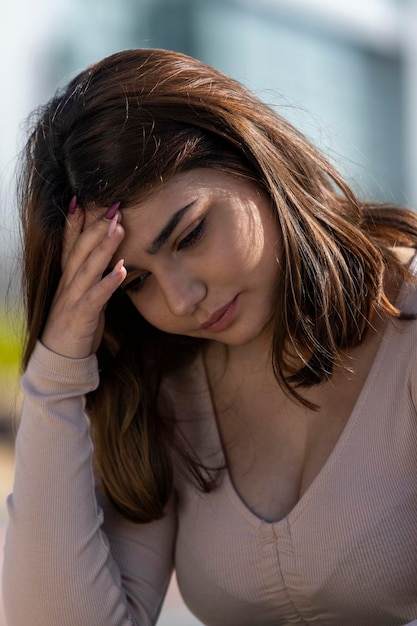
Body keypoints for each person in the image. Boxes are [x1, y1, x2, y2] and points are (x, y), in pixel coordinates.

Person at [2, 48, 417, 626]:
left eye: (191, 234)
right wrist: (59, 369)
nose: (180, 299)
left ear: (252, 158)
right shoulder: (162, 388)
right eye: (135, 282)